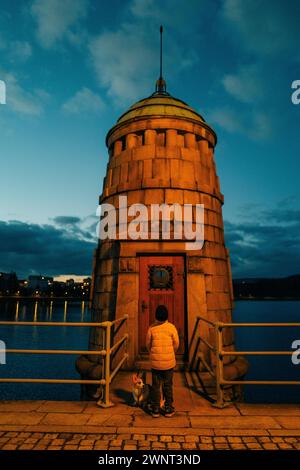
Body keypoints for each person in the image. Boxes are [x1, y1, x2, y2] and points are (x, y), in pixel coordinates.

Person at [146, 305, 180, 417]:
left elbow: (148, 344)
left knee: (156, 385)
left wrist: (152, 353)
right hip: (168, 363)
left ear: (156, 316)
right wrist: (171, 353)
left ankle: (155, 408)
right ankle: (168, 408)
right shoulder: (171, 327)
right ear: (166, 316)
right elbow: (176, 344)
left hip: (156, 364)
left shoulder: (151, 328)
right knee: (168, 385)